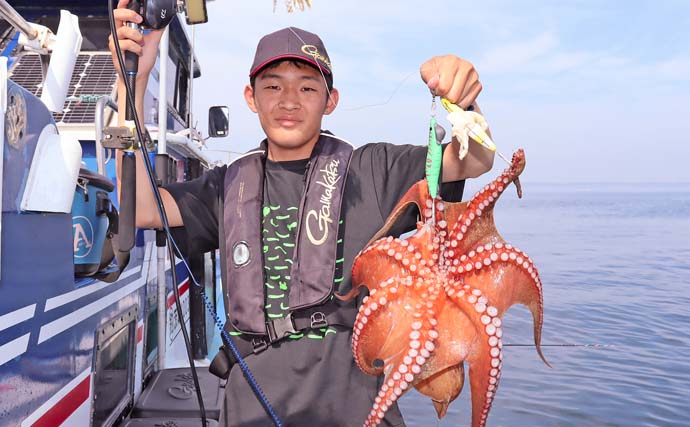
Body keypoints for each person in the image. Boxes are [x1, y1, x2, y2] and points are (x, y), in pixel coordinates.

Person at [109, 4, 494, 426]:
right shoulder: (226, 186)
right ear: (250, 97)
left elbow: (471, 160)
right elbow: (143, 209)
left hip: (357, 409)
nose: (289, 101)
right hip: (250, 408)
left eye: (307, 88)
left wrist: (464, 104)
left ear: (331, 101)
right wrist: (136, 80)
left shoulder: (373, 171)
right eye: (273, 87)